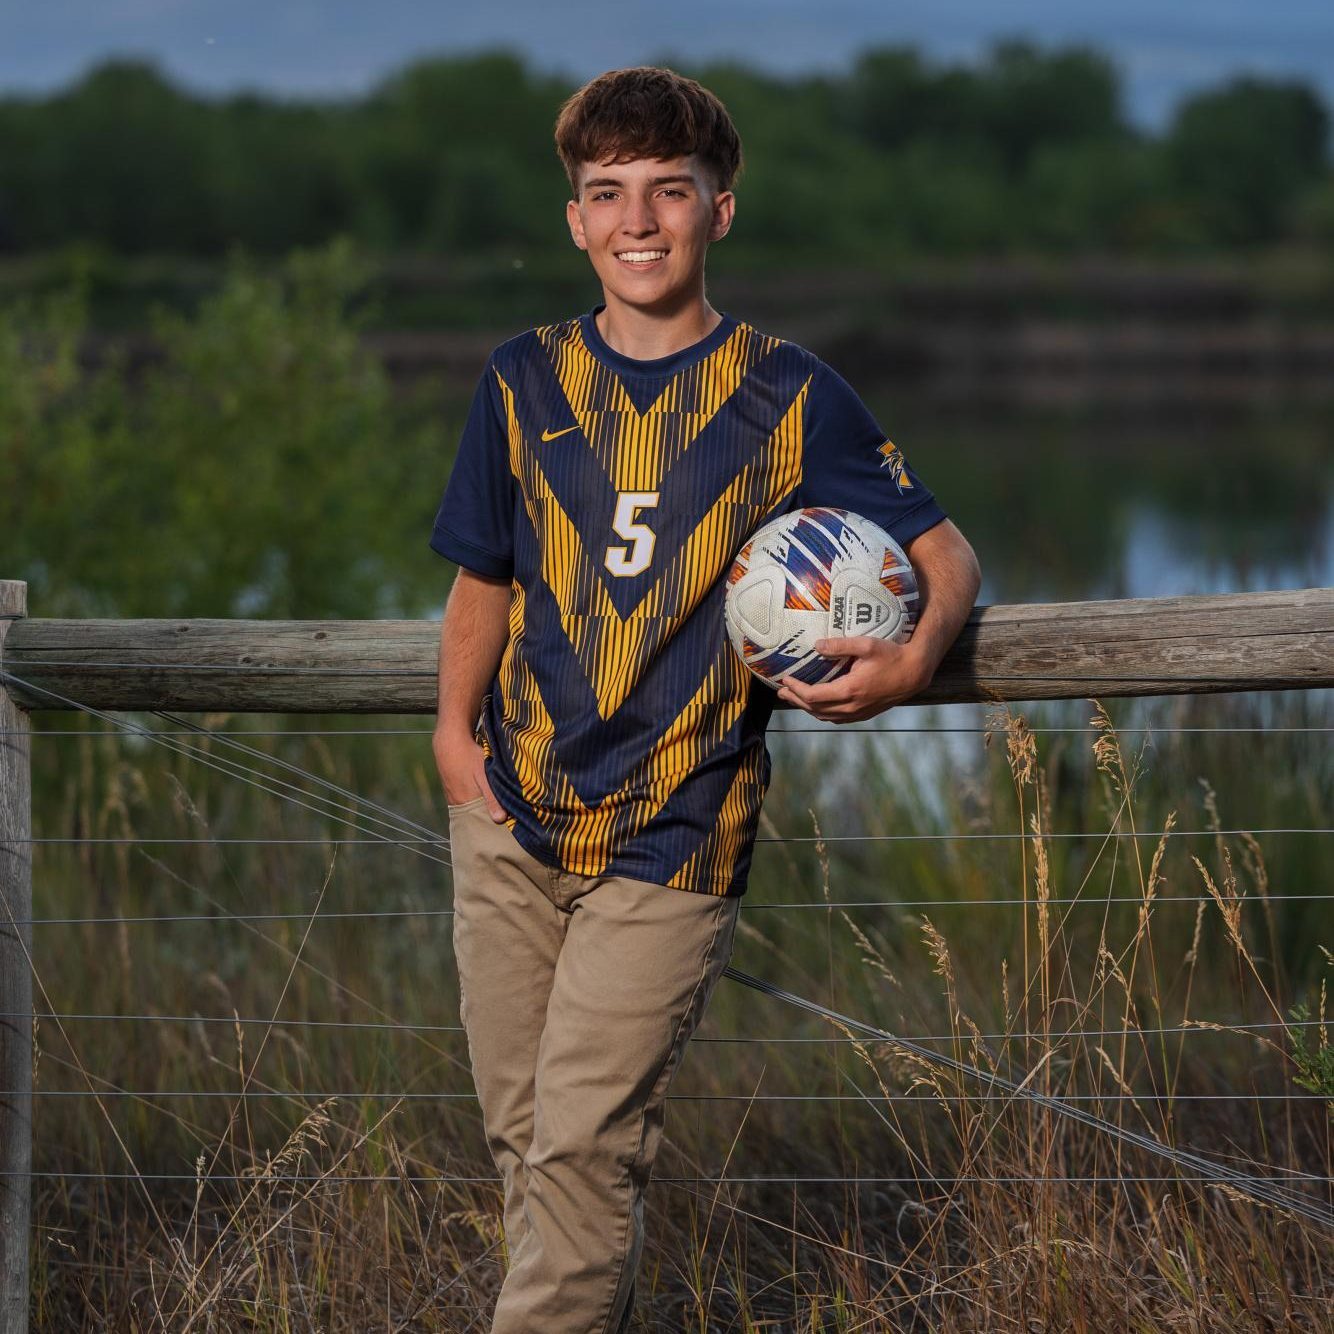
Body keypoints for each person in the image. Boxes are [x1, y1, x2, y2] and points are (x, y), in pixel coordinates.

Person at [428, 65, 981, 1334]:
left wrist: (906, 660)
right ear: (573, 220)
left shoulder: (789, 395)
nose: (636, 220)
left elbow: (941, 555)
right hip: (507, 814)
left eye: (666, 192)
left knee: (579, 1149)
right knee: (530, 1143)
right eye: (605, 194)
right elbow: (482, 581)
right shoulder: (520, 379)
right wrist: (454, 744)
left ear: (717, 210)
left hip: (673, 830)